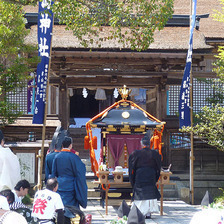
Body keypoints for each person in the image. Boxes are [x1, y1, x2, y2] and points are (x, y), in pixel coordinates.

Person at [128, 135, 161, 219]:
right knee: (149, 193)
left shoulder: (135, 153)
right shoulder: (155, 154)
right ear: (150, 144)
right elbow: (158, 167)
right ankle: (148, 213)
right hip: (151, 175)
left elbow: (131, 167)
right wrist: (156, 177)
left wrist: (132, 179)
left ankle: (139, 212)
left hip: (139, 175)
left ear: (141, 144)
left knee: (140, 194)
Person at [51, 137, 87, 208]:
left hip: (59, 184)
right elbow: (80, 171)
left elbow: (53, 172)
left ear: (62, 145)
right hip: (71, 185)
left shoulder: (57, 157)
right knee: (72, 208)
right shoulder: (74, 157)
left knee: (60, 205)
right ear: (70, 145)